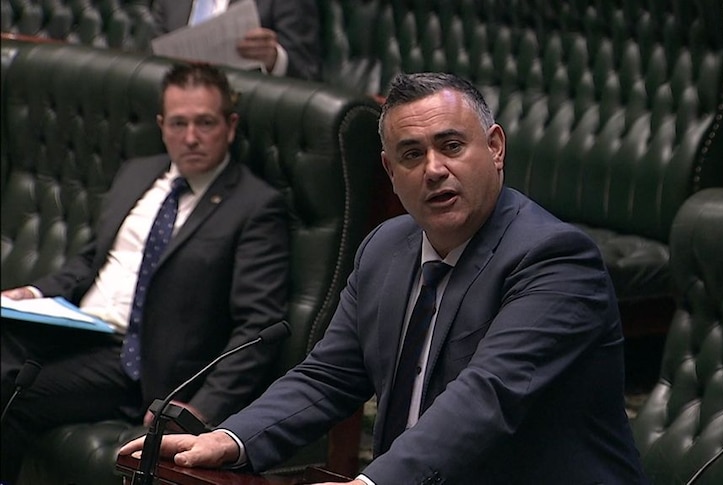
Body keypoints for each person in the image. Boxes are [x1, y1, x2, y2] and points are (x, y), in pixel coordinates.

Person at [121, 72, 648, 484]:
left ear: (495, 147)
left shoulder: (554, 259)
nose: (434, 169)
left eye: (452, 146)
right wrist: (232, 438)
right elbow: (329, 376)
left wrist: (372, 482)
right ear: (390, 173)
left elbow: (487, 396)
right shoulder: (386, 249)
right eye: (412, 155)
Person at [1, 63, 291, 483]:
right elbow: (91, 261)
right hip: (72, 332)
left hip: (133, 360)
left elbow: (258, 324)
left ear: (230, 126)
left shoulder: (254, 206)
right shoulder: (137, 173)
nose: (191, 137)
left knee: (11, 389)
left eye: (205, 123)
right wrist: (31, 292)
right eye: (179, 123)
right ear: (161, 125)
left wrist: (204, 405)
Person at [151, 0, 321, 80]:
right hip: (177, 111)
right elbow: (152, 60)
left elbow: (306, 73)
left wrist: (274, 59)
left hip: (247, 114)